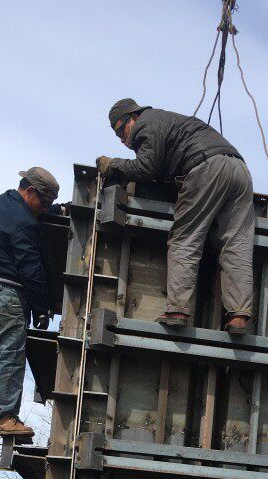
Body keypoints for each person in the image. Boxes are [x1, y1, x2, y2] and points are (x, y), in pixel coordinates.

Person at [96, 99, 254, 336]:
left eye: (121, 130)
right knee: (236, 244)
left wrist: (114, 165)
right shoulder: (166, 121)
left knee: (185, 238)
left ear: (134, 117)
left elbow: (146, 168)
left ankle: (177, 310)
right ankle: (239, 316)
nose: (121, 139)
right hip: (239, 170)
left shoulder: (146, 125)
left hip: (206, 167)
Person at [0, 167, 60, 436]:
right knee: (11, 356)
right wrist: (42, 308)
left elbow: (31, 214)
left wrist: (56, 210)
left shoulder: (5, 201)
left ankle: (5, 415)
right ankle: (5, 418)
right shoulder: (24, 224)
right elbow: (31, 268)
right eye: (44, 203)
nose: (44, 209)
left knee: (7, 354)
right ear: (30, 191)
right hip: (8, 296)